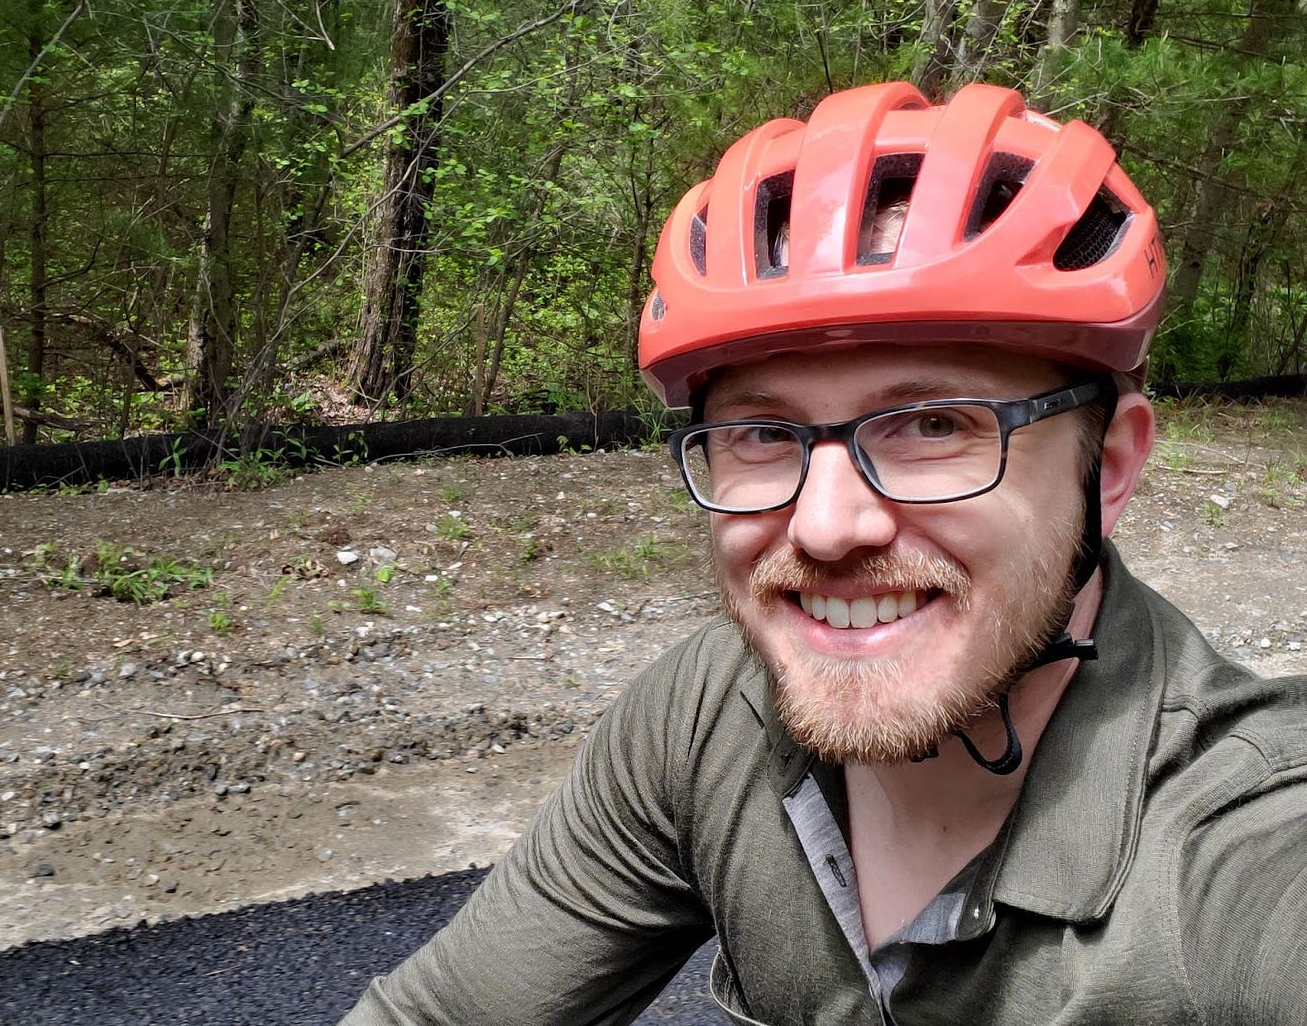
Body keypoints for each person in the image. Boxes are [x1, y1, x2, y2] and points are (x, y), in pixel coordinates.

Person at [340, 82, 1307, 1025]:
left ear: (1112, 462)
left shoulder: (1241, 845)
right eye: (763, 435)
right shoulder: (709, 711)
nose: (827, 526)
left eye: (933, 425)